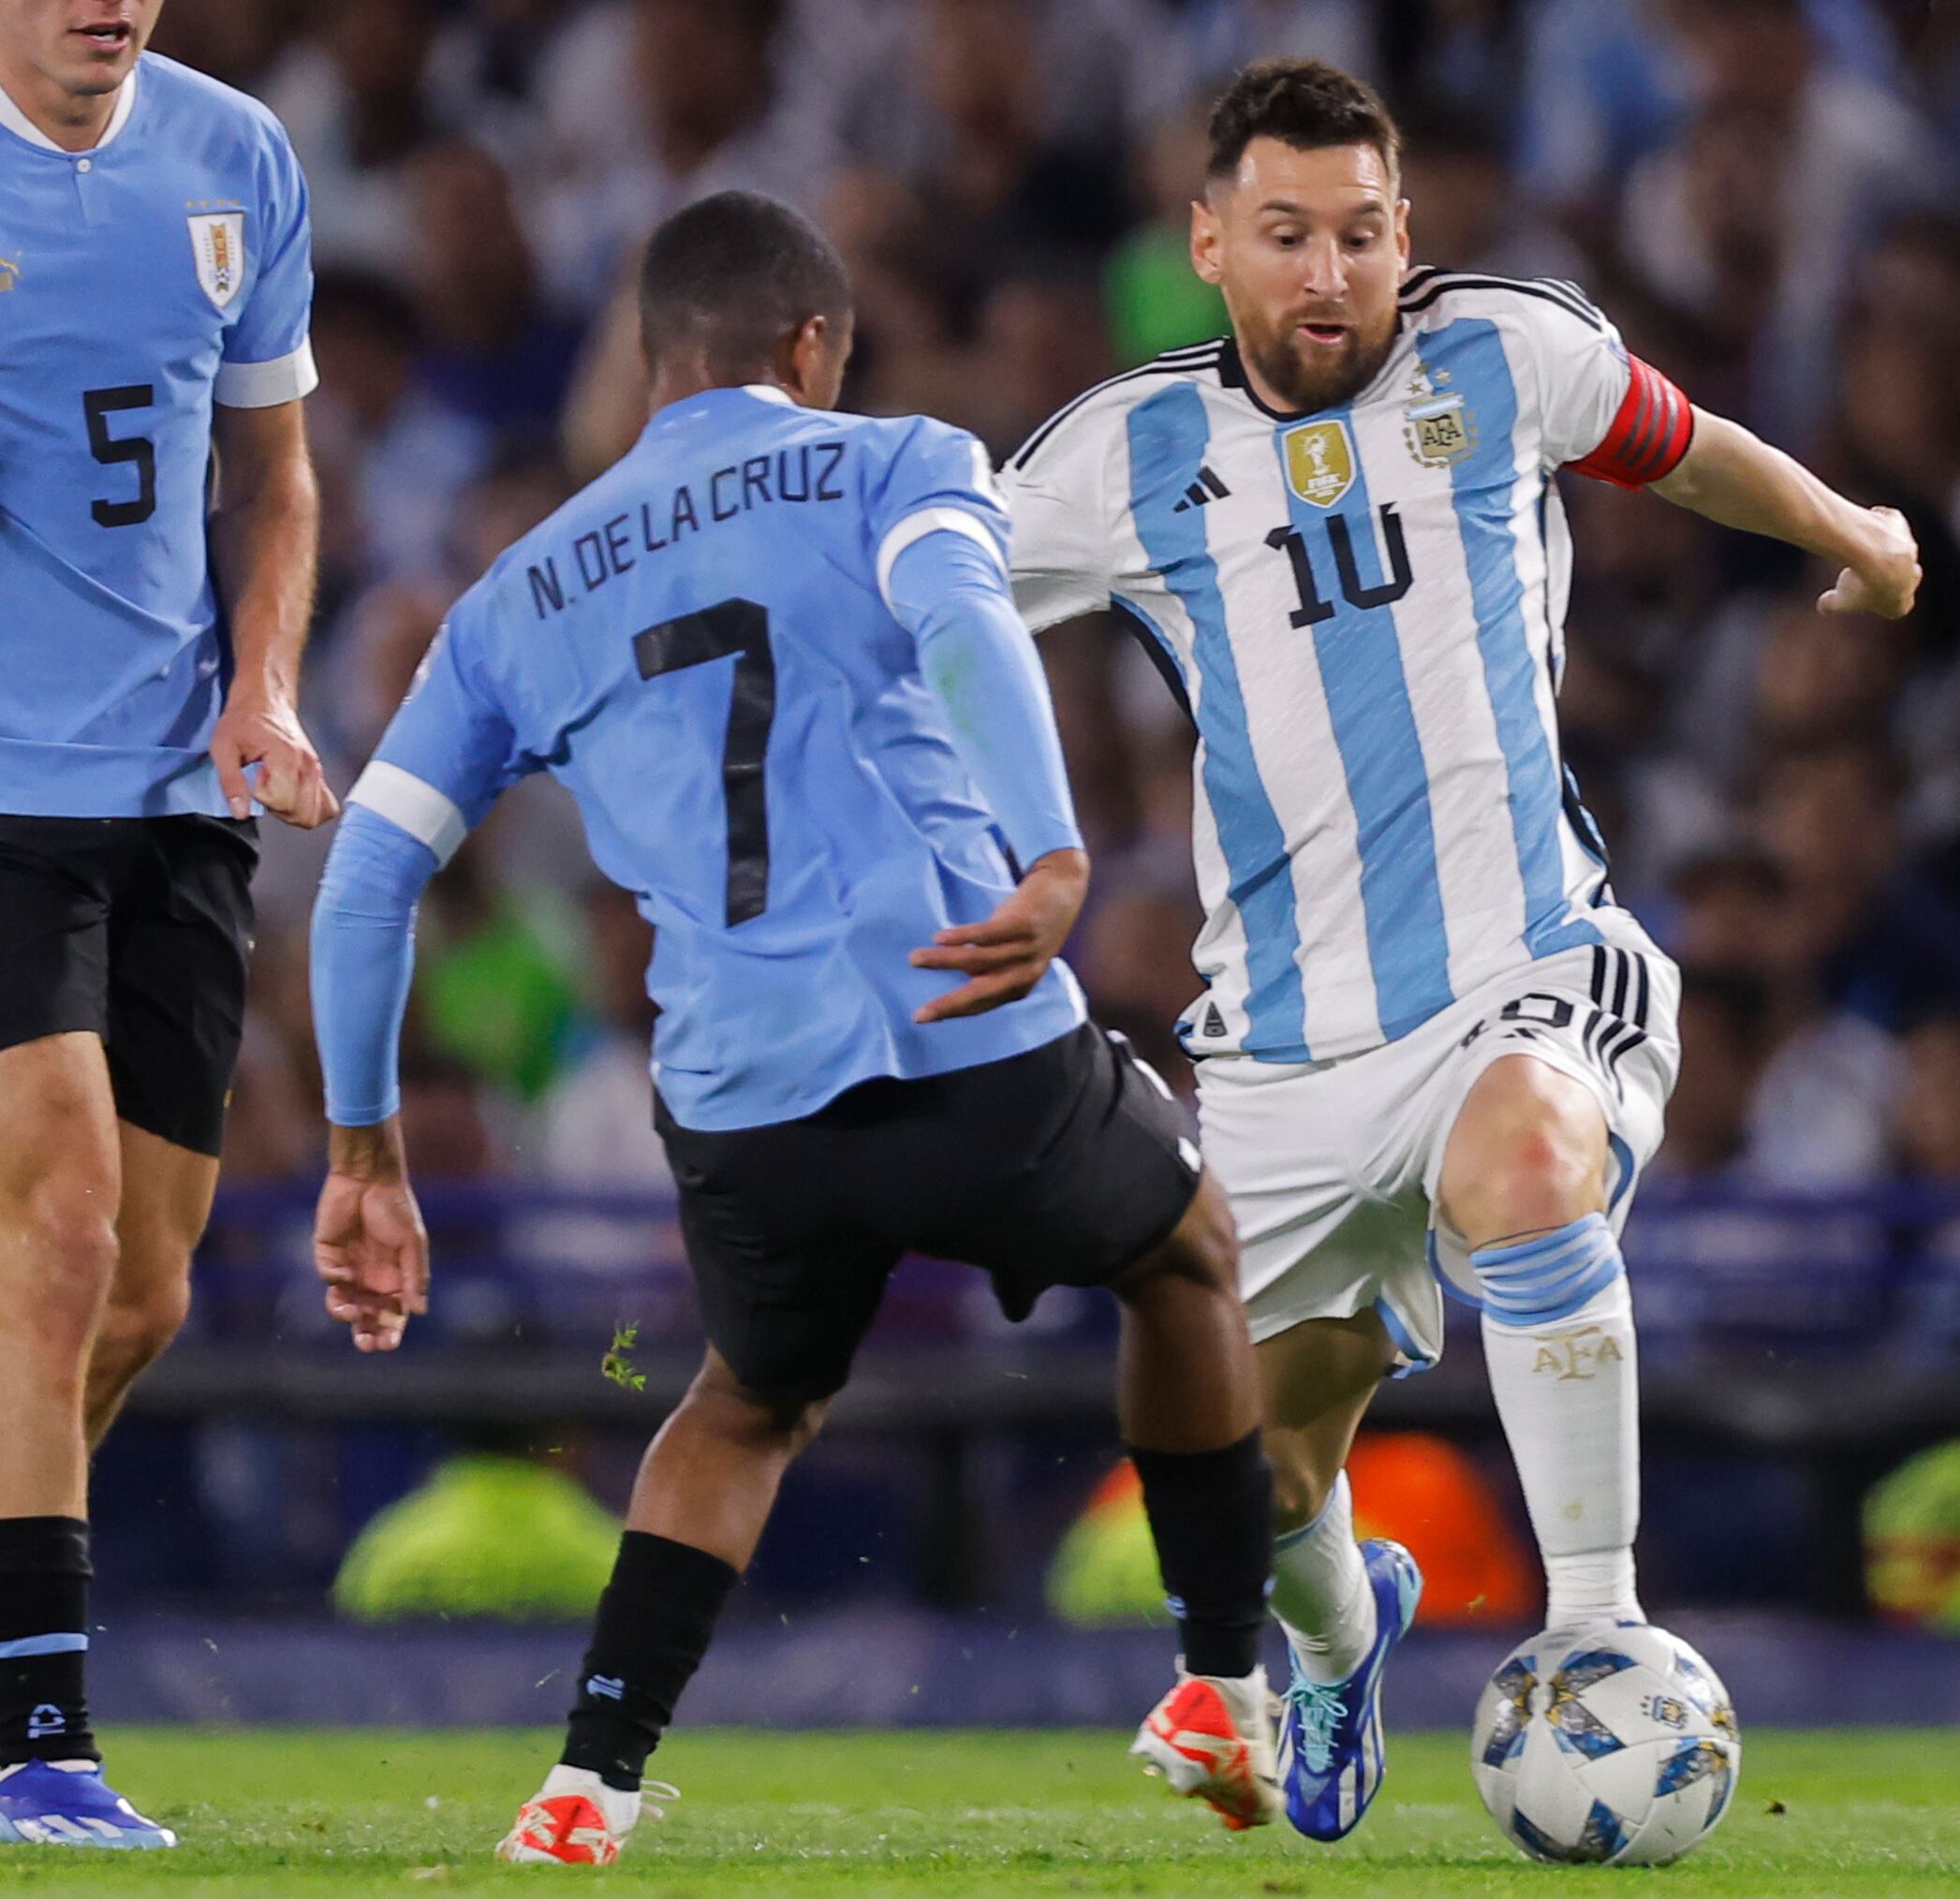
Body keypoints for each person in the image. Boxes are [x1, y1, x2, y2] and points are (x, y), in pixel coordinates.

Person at [997, 59, 1918, 1840]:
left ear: (1403, 233)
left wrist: (1848, 528)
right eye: (1283, 236)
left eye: (1358, 234)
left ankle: (1598, 1633)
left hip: (1526, 958)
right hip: (1276, 1047)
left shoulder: (1504, 354)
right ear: (1208, 244)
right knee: (1261, 1467)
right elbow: (937, 601)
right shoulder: (1116, 460)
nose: (1326, 274)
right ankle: (1342, 1646)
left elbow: (1680, 442)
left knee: (1523, 1160)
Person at [307, 191, 1282, 1866]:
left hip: (738, 1095)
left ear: (649, 359)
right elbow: (970, 626)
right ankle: (1212, 1678)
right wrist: (1051, 851)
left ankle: (585, 1783)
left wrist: (361, 1151)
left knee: (745, 1406)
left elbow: (363, 887)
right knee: (1186, 1251)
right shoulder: (894, 459)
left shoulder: (513, 594)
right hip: (958, 1018)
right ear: (812, 344)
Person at [0, 2, 328, 1849]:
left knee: (141, 1291)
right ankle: (46, 1753)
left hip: (177, 785)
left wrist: (263, 690)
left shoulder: (237, 155)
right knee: (56, 1236)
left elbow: (276, 475)